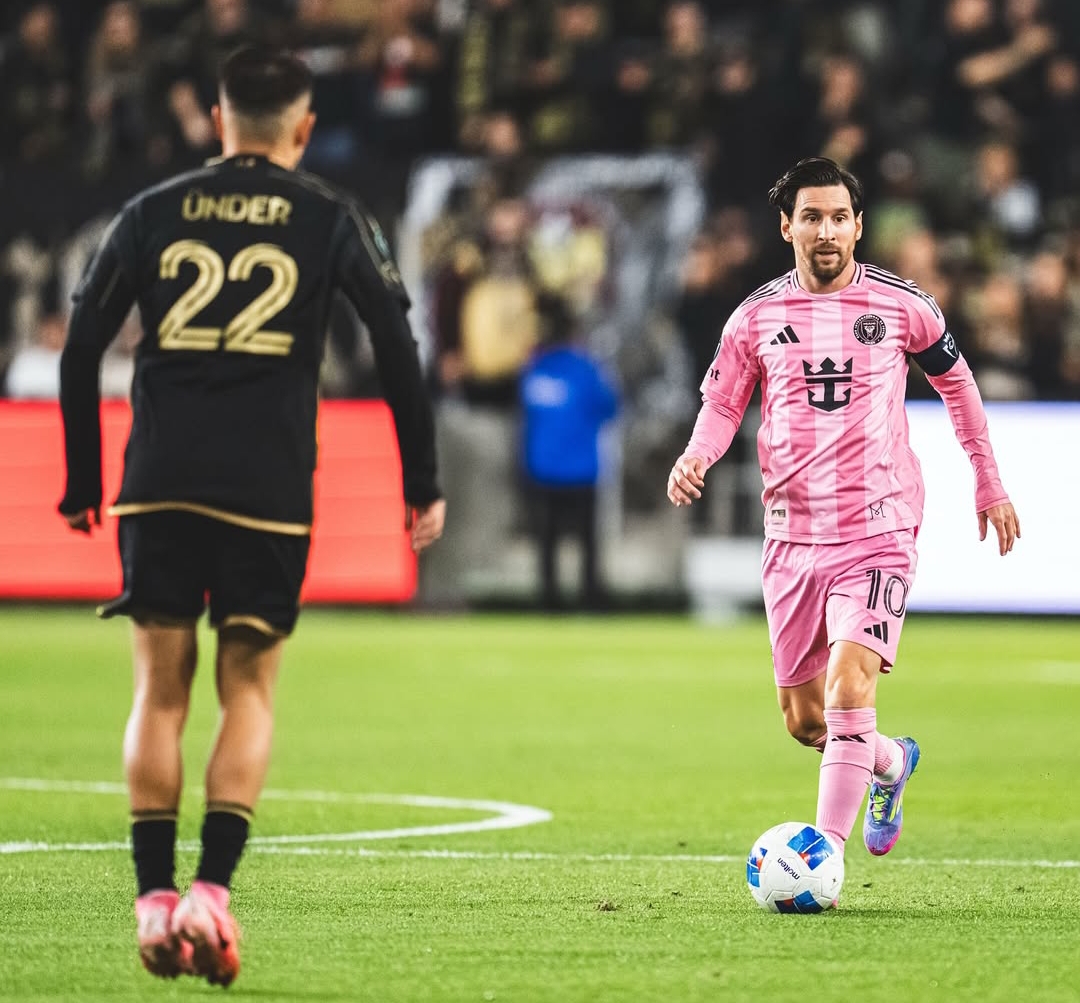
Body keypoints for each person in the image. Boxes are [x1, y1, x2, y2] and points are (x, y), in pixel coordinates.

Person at [57, 45, 446, 986]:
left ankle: (154, 902)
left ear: (216, 121)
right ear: (304, 128)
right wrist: (420, 479)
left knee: (159, 692)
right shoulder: (329, 214)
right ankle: (210, 892)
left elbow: (78, 346)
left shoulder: (151, 209)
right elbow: (395, 344)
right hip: (267, 488)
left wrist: (81, 479)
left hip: (159, 477)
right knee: (249, 688)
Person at [666, 157, 1020, 885]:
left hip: (878, 527)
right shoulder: (755, 317)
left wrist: (987, 478)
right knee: (807, 721)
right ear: (786, 227)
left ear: (858, 226)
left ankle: (822, 855)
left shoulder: (902, 306)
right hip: (792, 536)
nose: (825, 231)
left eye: (838, 217)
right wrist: (696, 454)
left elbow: (958, 385)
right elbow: (724, 402)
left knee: (851, 687)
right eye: (811, 217)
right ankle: (891, 761)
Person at [519, 294, 619, 610]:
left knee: (547, 539)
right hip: (581, 467)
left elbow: (525, 415)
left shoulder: (534, 370)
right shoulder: (586, 368)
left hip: (543, 466)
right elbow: (609, 407)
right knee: (587, 539)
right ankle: (590, 599)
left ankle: (549, 600)